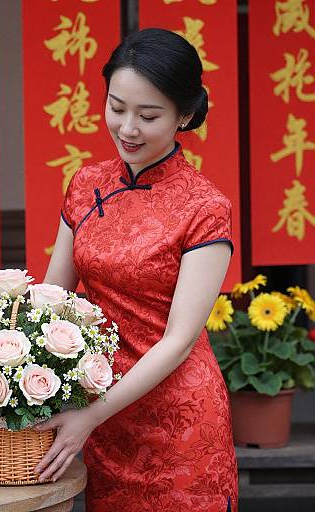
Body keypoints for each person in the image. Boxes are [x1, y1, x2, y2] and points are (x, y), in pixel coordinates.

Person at [33, 28, 238, 512]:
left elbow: (179, 340)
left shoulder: (204, 207)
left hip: (179, 421)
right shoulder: (87, 184)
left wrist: (89, 416)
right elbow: (50, 302)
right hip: (101, 415)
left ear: (185, 115)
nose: (127, 128)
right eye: (116, 107)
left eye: (148, 116)